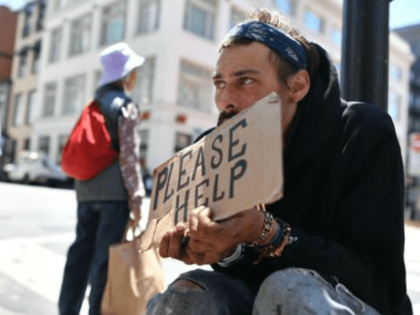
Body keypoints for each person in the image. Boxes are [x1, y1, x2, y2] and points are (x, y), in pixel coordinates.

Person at [145, 8, 413, 315]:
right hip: (262, 299)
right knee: (186, 294)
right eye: (219, 83)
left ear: (298, 85)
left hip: (351, 302)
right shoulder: (217, 146)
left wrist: (269, 233)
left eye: (245, 81)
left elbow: (380, 286)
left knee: (287, 290)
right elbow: (240, 274)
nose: (225, 100)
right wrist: (220, 247)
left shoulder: (362, 131)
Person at [58, 42, 146, 315]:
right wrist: (137, 200)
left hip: (85, 193)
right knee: (104, 262)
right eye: (134, 71)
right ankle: (96, 311)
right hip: (114, 197)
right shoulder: (125, 106)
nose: (136, 76)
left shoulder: (93, 105)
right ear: (126, 74)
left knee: (80, 255)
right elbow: (129, 159)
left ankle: (67, 309)